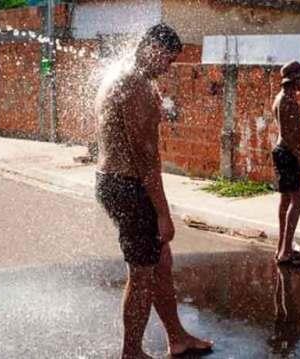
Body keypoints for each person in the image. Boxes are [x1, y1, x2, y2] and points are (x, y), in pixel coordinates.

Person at [94, 24, 212, 358]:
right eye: (167, 60)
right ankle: (131, 351)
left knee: (161, 261)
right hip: (127, 186)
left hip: (113, 180)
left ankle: (177, 337)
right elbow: (146, 158)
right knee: (142, 272)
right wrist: (163, 214)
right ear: (150, 48)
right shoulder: (137, 86)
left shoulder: (122, 75)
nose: (167, 68)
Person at [272, 61, 300, 266]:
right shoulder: (286, 100)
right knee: (299, 200)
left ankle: (282, 247)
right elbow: (286, 135)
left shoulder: (284, 98)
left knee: (286, 200)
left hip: (284, 153)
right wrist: (299, 157)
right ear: (294, 79)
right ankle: (285, 251)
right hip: (287, 154)